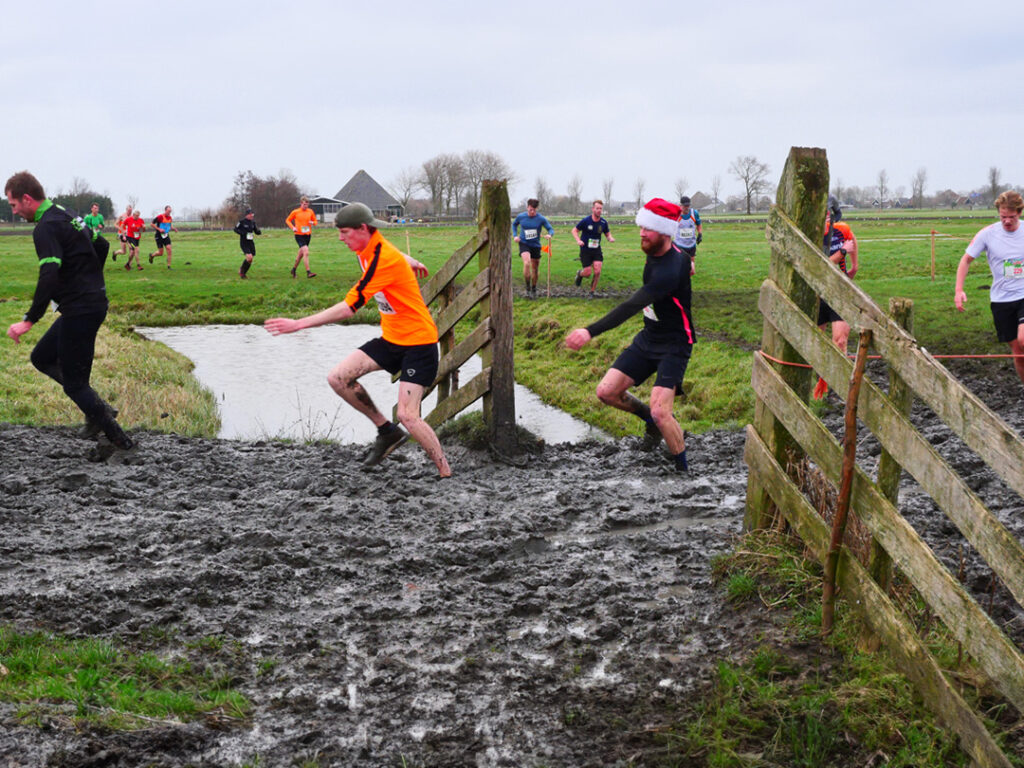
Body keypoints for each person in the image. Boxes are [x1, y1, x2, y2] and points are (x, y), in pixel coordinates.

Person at [264, 202, 451, 478]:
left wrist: (299, 324)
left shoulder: (382, 260)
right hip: (392, 340)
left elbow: (349, 308)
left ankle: (445, 471)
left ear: (363, 229)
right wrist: (408, 260)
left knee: (408, 416)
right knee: (338, 378)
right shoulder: (366, 248)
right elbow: (386, 248)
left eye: (345, 232)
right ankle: (386, 432)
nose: (340, 238)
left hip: (419, 343)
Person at [4, 170, 133, 452]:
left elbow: (49, 274)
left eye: (13, 205)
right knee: (42, 357)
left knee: (75, 385)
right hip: (87, 303)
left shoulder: (45, 227)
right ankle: (100, 410)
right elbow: (102, 244)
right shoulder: (67, 213)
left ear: (26, 199)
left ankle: (122, 443)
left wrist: (29, 320)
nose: (13, 211)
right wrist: (89, 278)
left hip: (81, 308)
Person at [565, 198, 695, 472]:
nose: (642, 233)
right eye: (641, 227)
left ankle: (684, 472)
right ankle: (651, 423)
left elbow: (631, 306)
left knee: (663, 412)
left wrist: (589, 331)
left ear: (663, 231)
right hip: (649, 337)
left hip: (675, 343)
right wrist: (687, 263)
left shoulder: (669, 271)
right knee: (606, 392)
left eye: (648, 229)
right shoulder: (665, 254)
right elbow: (683, 259)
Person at [955, 190, 1024, 385]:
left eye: (1011, 217)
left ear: (1019, 213)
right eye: (1003, 216)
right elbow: (966, 260)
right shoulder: (988, 234)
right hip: (1001, 300)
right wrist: (959, 290)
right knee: (1018, 353)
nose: (1007, 221)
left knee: (1023, 339)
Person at [817, 195, 858, 352]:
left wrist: (854, 266)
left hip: (840, 289)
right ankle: (821, 377)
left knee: (840, 341)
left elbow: (852, 238)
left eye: (828, 212)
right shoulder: (809, 235)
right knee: (816, 343)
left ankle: (840, 377)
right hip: (817, 290)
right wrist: (842, 252)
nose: (826, 216)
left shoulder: (841, 229)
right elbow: (820, 265)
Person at [571, 199, 615, 298]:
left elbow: (607, 233)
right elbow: (574, 230)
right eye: (597, 208)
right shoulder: (586, 221)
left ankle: (592, 292)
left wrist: (610, 238)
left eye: (601, 208)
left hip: (596, 250)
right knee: (587, 273)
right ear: (593, 209)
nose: (599, 210)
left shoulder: (603, 222)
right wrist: (578, 240)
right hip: (585, 250)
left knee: (597, 271)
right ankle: (580, 274)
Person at [511, 198, 554, 297]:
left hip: (535, 245)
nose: (532, 212)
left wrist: (550, 235)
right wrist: (515, 235)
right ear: (527, 207)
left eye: (534, 210)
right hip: (524, 243)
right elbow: (514, 224)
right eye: (530, 209)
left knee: (535, 268)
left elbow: (550, 229)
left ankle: (534, 288)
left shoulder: (541, 218)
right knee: (527, 263)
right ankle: (527, 287)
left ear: (537, 209)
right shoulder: (521, 217)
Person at [285, 196, 317, 278]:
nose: (305, 206)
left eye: (306, 204)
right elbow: (288, 220)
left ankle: (293, 270)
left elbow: (315, 221)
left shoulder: (310, 212)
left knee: (300, 255)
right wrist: (293, 228)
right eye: (304, 204)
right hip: (299, 235)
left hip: (307, 235)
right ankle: (308, 272)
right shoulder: (296, 212)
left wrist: (312, 223)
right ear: (301, 204)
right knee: (306, 252)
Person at [673, 195, 703, 273]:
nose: (687, 208)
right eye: (685, 206)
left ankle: (687, 279)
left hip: (691, 244)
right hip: (680, 244)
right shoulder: (676, 214)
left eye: (688, 205)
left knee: (691, 268)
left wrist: (700, 234)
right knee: (680, 266)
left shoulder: (694, 213)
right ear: (680, 205)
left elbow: (698, 224)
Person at [234, 208, 261, 279]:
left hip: (250, 242)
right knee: (249, 257)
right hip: (244, 242)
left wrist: (258, 232)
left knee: (250, 259)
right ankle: (242, 273)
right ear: (247, 215)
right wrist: (242, 233)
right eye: (251, 214)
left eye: (253, 214)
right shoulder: (241, 222)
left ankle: (242, 271)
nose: (252, 216)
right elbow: (235, 229)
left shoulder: (253, 222)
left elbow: (256, 231)